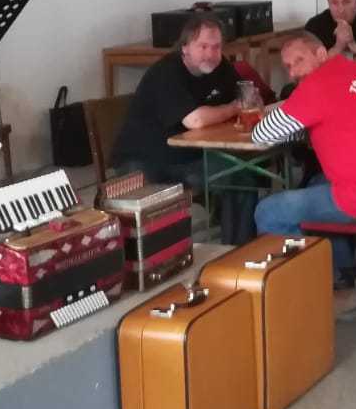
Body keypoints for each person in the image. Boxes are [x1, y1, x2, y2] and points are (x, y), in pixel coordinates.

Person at [251, 33, 356, 314]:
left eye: (299, 61)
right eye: (288, 66)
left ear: (321, 53)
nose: (293, 72)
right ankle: (343, 281)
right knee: (316, 182)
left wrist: (269, 115)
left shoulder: (316, 86)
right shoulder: (353, 69)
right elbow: (326, 116)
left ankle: (304, 297)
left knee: (269, 211)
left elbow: (261, 134)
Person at [110, 12, 256, 242]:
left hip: (188, 155)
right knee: (236, 178)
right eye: (203, 46)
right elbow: (195, 120)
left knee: (242, 177)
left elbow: (249, 98)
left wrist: (241, 103)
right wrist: (233, 108)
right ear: (185, 47)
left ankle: (237, 252)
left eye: (216, 47)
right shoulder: (167, 72)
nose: (210, 54)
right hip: (144, 160)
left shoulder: (220, 67)